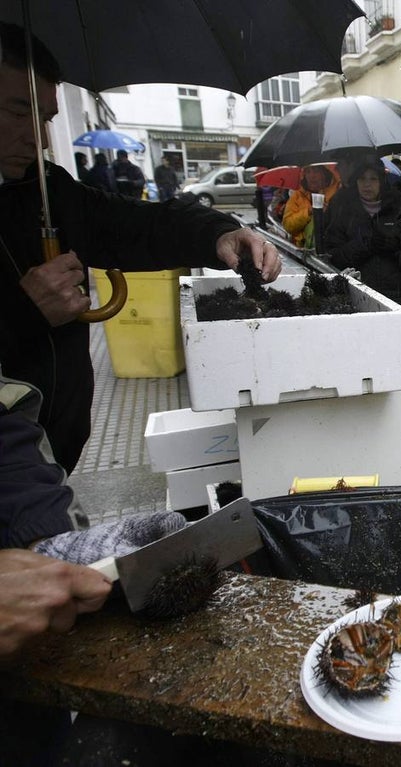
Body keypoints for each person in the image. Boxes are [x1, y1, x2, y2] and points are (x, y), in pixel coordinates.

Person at [0, 22, 282, 474]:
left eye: (46, 119)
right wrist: (21, 313)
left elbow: (140, 223)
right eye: (18, 113)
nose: (40, 139)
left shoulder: (49, 191)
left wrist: (220, 233)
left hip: (50, 458)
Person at [324, 159, 401, 309]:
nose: (367, 184)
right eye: (362, 179)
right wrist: (364, 245)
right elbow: (333, 256)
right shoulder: (343, 208)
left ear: (381, 181)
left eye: (373, 179)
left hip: (397, 298)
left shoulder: (399, 205)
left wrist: (396, 247)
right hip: (357, 297)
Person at [282, 163, 339, 248]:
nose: (311, 176)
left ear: (325, 173)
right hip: (304, 250)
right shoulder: (297, 196)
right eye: (308, 172)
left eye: (316, 171)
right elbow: (288, 225)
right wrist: (308, 212)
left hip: (331, 247)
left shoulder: (337, 192)